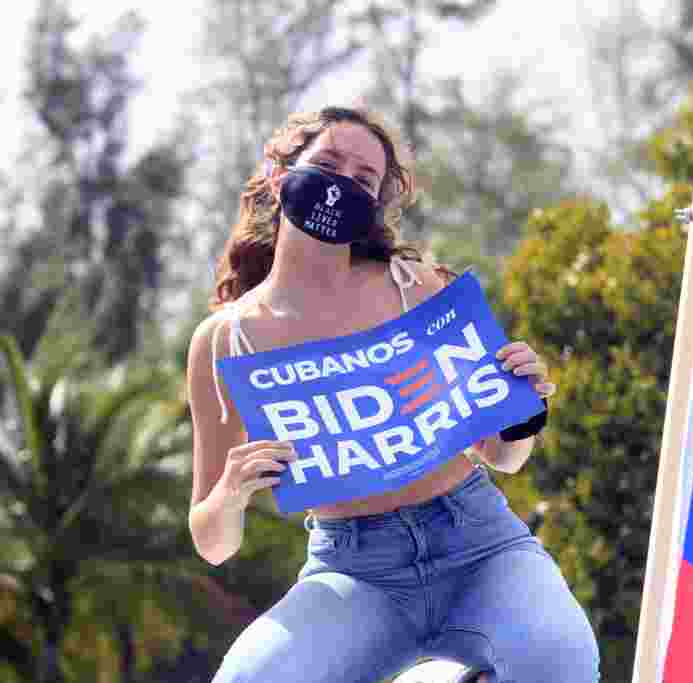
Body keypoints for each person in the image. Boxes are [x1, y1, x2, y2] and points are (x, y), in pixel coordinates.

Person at [186, 105, 600, 683]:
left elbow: (502, 456)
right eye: (326, 164)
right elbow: (211, 543)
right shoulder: (227, 339)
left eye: (362, 180)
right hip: (354, 573)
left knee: (561, 661)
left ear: (376, 201)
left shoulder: (416, 287)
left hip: (481, 549)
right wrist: (230, 494)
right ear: (281, 177)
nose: (340, 186)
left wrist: (523, 409)